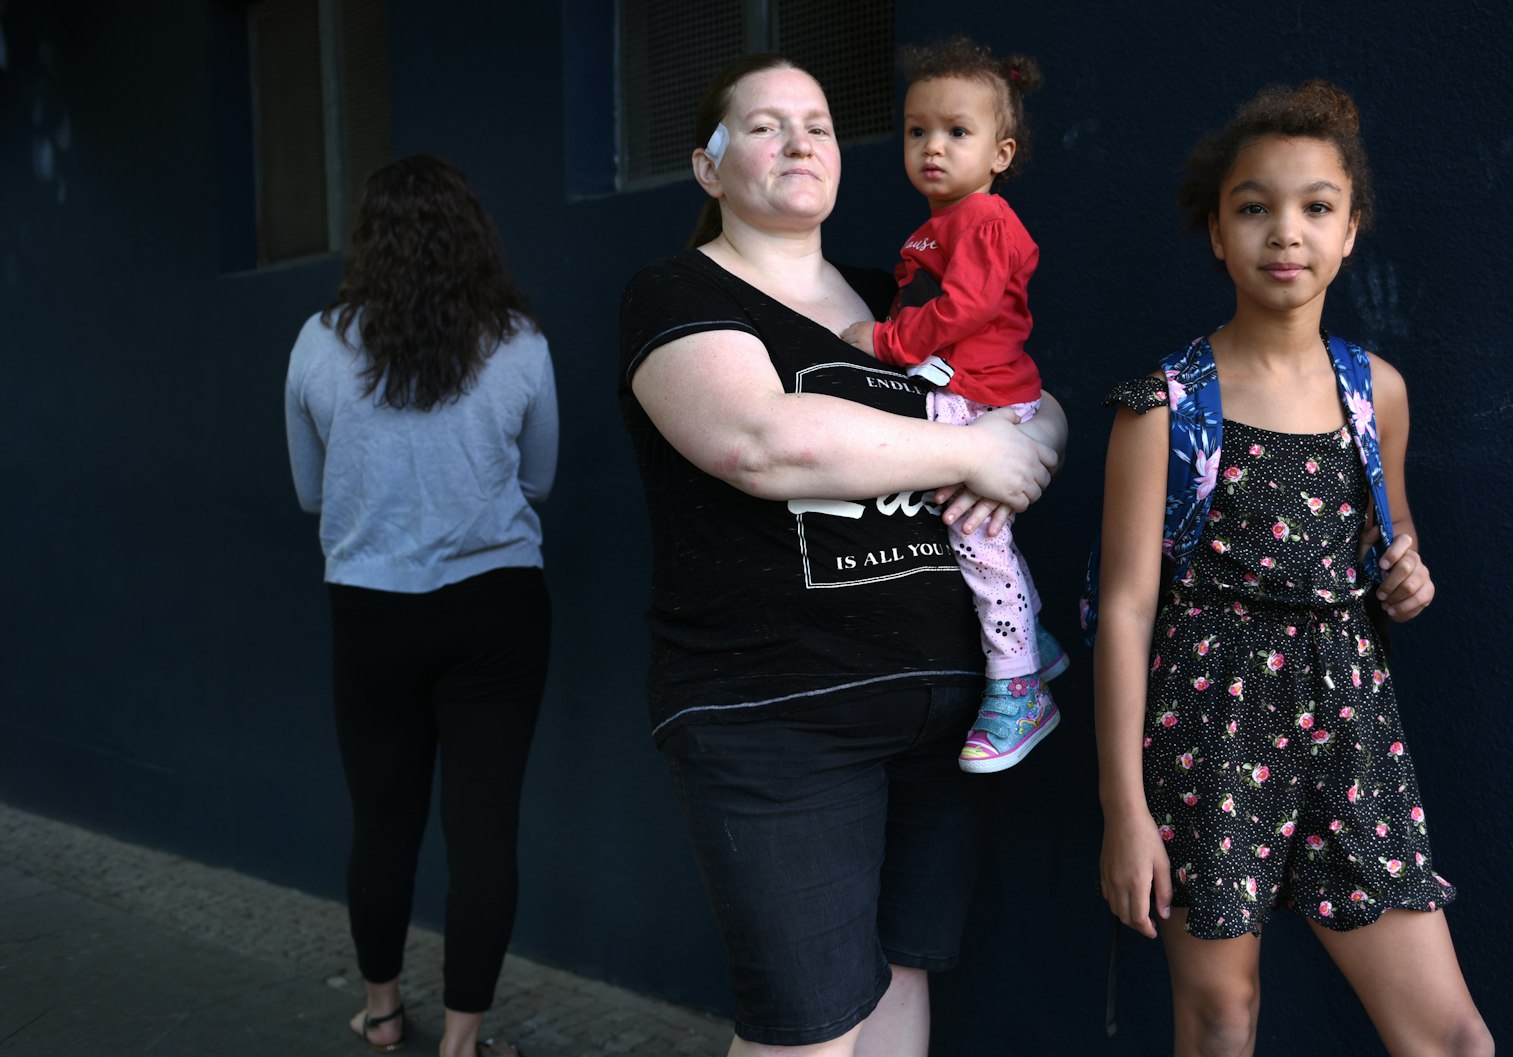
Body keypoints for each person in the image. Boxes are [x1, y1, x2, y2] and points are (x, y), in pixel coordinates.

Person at [616, 54, 1066, 1057]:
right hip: (777, 716)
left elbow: (1019, 397)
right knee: (808, 1031)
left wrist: (1033, 438)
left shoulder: (891, 299)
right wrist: (975, 453)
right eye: (765, 125)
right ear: (708, 168)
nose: (800, 141)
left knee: (899, 980)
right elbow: (757, 441)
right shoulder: (676, 292)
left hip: (943, 711)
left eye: (817, 124)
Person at [1093, 83, 1494, 1056]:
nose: (1285, 231)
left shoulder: (1374, 392)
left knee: (1451, 1036)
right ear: (1216, 233)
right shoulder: (1163, 405)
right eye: (1252, 206)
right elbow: (1125, 609)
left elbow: (1388, 541)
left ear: (1350, 231)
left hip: (1350, 719)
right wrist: (1123, 812)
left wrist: (1407, 576)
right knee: (1221, 1017)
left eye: (1316, 206)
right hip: (1208, 725)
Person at [285, 155, 556, 1057]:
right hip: (498, 611)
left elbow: (310, 491)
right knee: (484, 834)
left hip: (371, 612)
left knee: (382, 823)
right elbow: (541, 477)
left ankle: (384, 1012)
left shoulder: (317, 342)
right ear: (473, 234)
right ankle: (463, 1041)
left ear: (368, 240)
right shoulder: (518, 340)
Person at [837, 37, 1063, 774]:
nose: (933, 146)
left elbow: (964, 309)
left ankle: (1020, 685)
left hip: (986, 403)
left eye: (957, 132)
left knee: (976, 539)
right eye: (918, 130)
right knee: (978, 531)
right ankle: (1032, 637)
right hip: (970, 397)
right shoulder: (945, 224)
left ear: (1001, 153)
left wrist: (884, 339)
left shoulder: (986, 220)